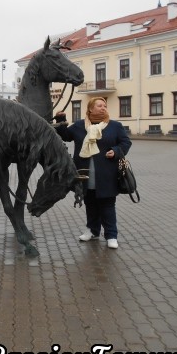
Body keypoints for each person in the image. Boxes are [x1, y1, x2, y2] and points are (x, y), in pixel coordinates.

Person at [54, 97, 132, 249]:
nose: (103, 108)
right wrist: (61, 118)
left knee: (107, 205)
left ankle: (111, 235)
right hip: (85, 172)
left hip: (107, 173)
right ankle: (92, 231)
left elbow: (126, 143)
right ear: (90, 109)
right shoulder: (79, 126)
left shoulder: (114, 126)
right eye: (99, 105)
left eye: (105, 105)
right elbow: (65, 136)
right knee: (90, 203)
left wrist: (116, 151)